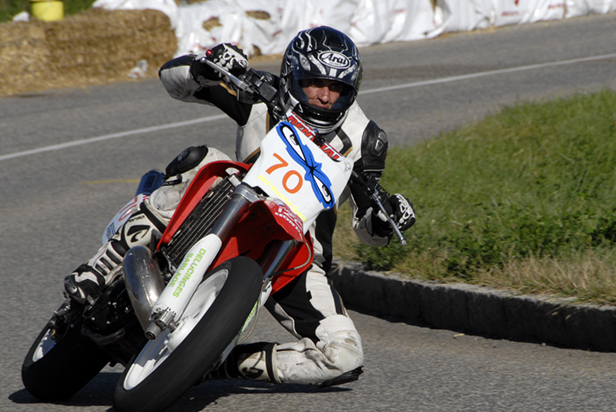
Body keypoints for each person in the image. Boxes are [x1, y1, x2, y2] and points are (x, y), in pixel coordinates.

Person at [64, 26, 415, 387]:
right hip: (229, 202)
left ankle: (220, 362)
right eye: (314, 82)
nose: (326, 96)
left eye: (338, 88)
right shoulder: (261, 91)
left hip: (294, 251)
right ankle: (101, 267)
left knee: (344, 355)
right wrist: (205, 67)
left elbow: (365, 226)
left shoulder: (367, 139)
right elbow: (173, 81)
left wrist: (383, 220)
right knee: (203, 160)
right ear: (292, 75)